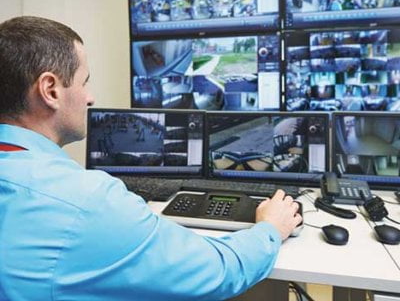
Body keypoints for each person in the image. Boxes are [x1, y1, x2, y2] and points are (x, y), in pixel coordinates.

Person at [0, 16, 302, 301]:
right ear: (50, 90)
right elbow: (218, 271)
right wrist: (270, 228)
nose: (90, 98)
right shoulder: (87, 201)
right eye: (84, 82)